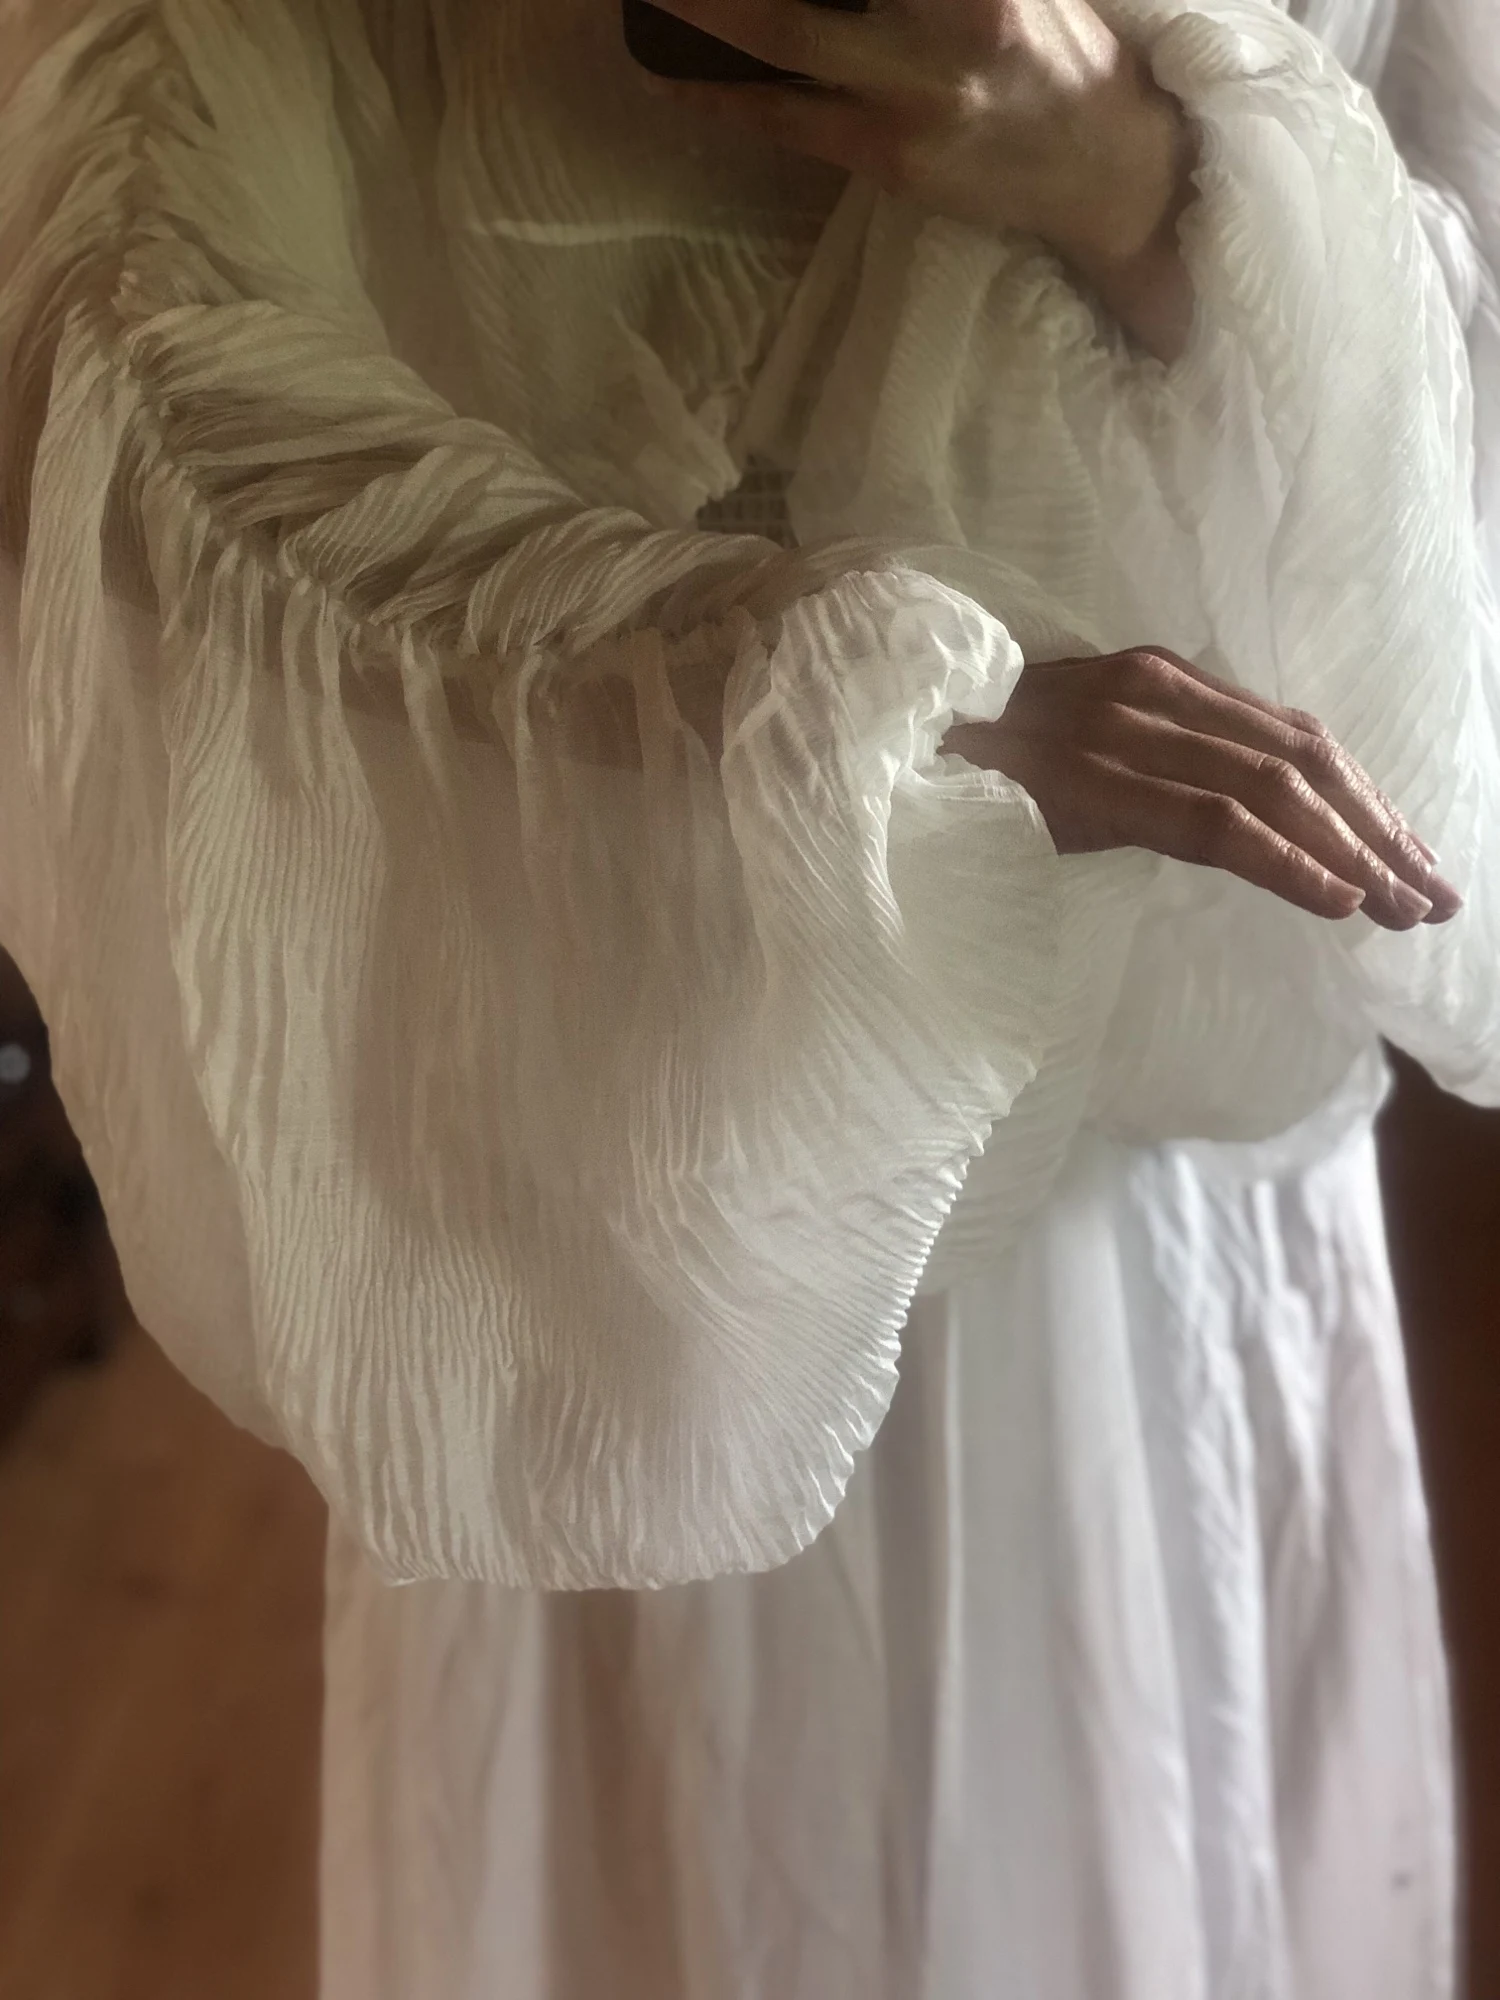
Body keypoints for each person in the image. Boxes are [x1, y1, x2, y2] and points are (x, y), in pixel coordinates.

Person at [0, 0, 1496, 1994]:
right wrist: (839, 721)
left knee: (1163, 1827)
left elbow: (1467, 287)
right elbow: (134, 384)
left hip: (1180, 1145)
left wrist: (1153, 186)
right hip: (661, 1180)